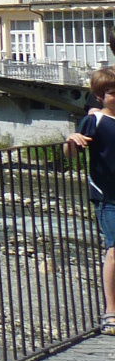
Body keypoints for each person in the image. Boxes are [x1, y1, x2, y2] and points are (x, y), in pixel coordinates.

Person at [63, 65, 115, 334]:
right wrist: (70, 139)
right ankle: (110, 312)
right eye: (111, 93)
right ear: (99, 96)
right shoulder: (94, 121)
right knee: (114, 250)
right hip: (107, 196)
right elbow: (70, 152)